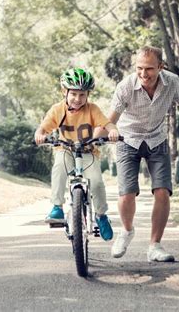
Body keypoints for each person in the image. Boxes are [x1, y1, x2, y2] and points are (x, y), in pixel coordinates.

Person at [108, 46, 179, 261]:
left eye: (149, 69)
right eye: (139, 68)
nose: (143, 74)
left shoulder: (172, 82)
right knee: (127, 193)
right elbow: (110, 121)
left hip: (157, 139)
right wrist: (100, 135)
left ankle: (155, 246)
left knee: (163, 191)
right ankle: (127, 230)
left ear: (160, 67)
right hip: (128, 139)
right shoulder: (126, 86)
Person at [34, 68, 120, 241]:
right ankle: (57, 207)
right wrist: (40, 134)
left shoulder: (92, 109)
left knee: (96, 182)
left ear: (87, 94)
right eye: (73, 94)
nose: (78, 99)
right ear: (64, 91)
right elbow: (44, 127)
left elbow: (107, 124)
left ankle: (101, 216)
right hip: (65, 150)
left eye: (82, 95)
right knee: (59, 168)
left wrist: (113, 131)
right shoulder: (58, 109)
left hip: (88, 151)